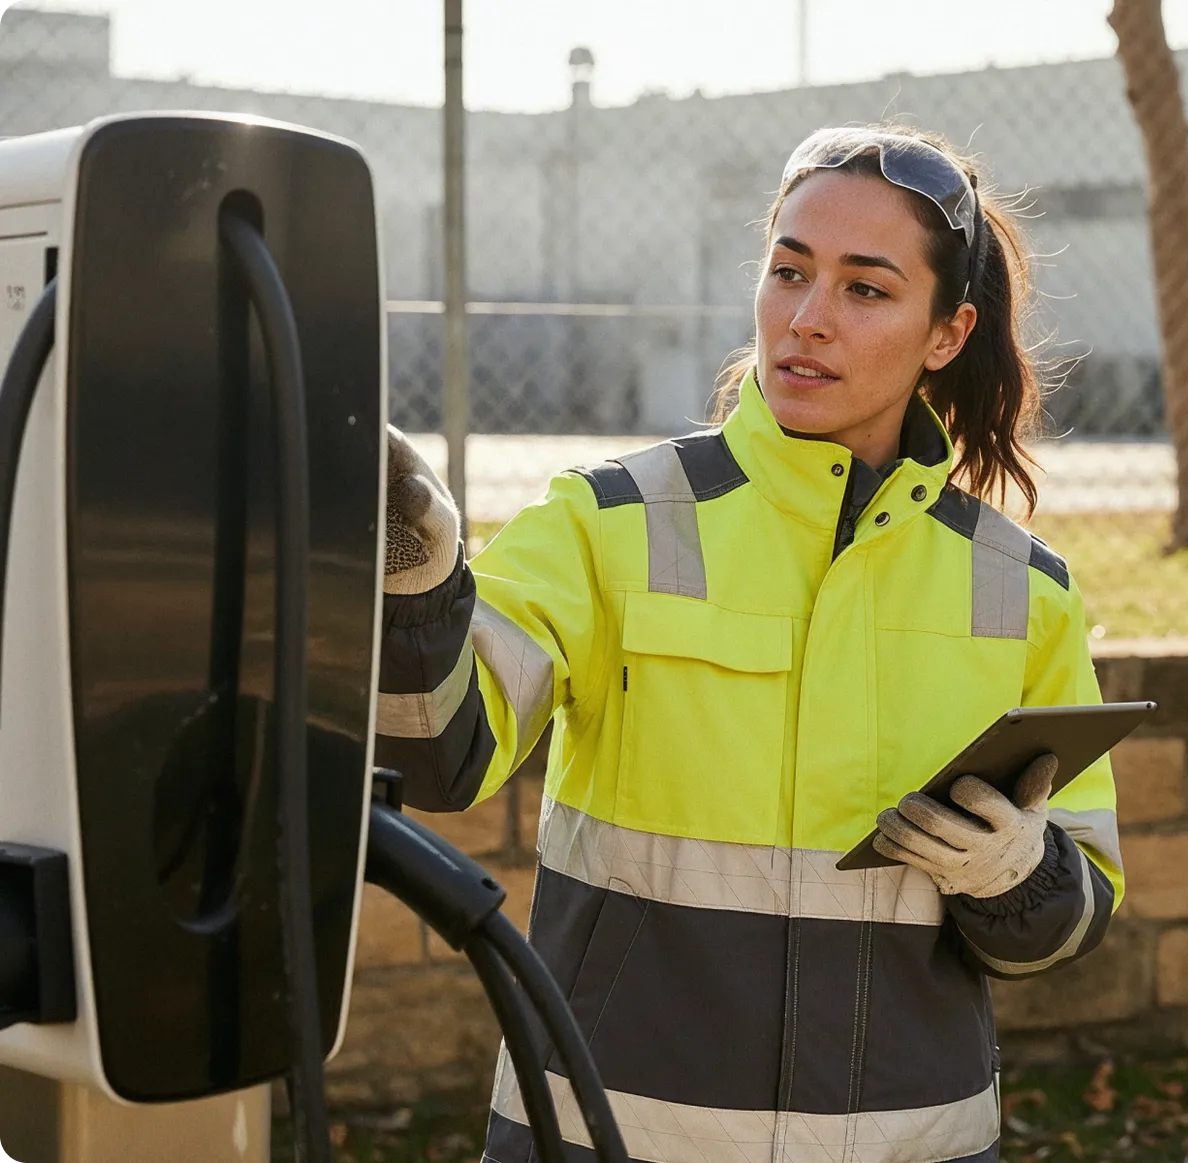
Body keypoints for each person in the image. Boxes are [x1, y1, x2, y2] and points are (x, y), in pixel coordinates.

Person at [375, 123, 1124, 1163]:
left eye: (864, 290)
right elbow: (439, 750)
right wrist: (412, 579)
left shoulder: (1020, 589)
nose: (806, 319)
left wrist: (1015, 872)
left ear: (944, 333)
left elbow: (1073, 922)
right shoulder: (610, 521)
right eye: (787, 272)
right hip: (614, 1136)